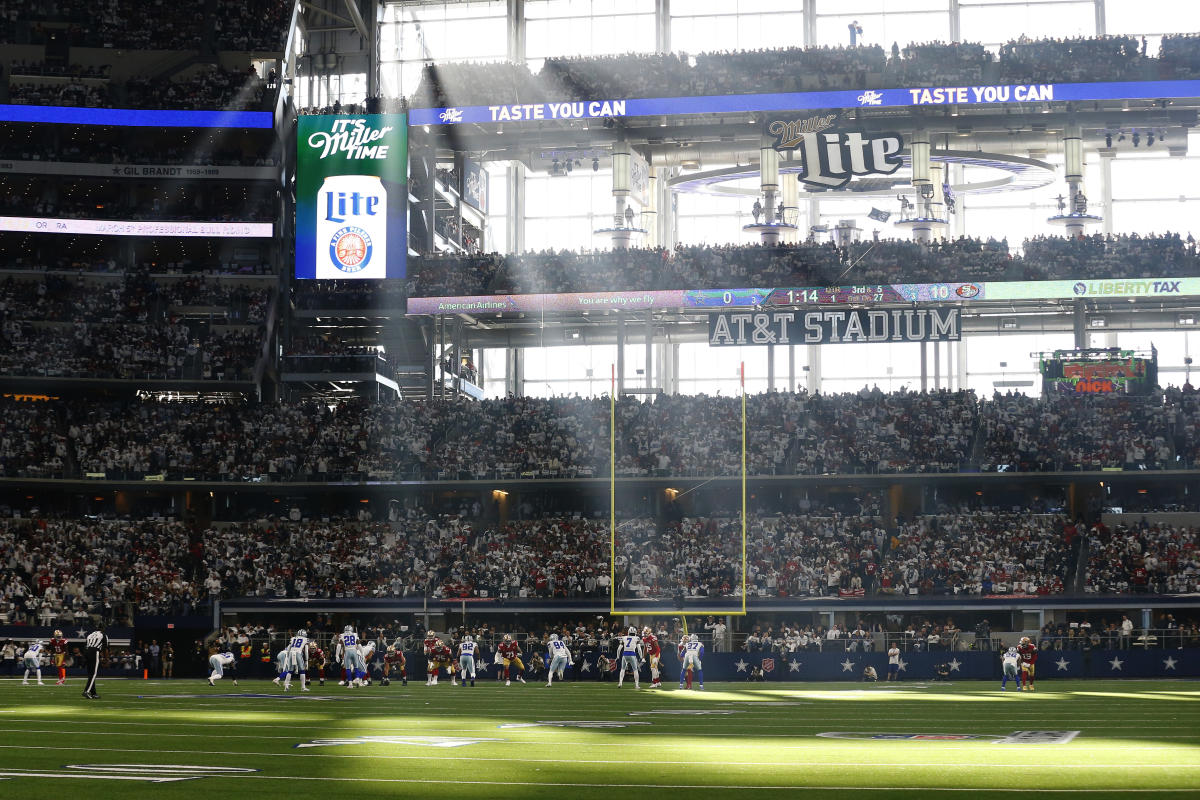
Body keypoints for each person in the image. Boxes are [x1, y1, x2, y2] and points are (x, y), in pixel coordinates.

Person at [83, 625, 107, 699]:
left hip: (87, 652)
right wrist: (105, 658)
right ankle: (86, 691)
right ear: (103, 628)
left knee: (90, 674)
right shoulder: (103, 635)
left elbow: (86, 646)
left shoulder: (90, 635)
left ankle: (93, 693)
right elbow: (105, 648)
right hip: (94, 651)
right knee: (93, 674)